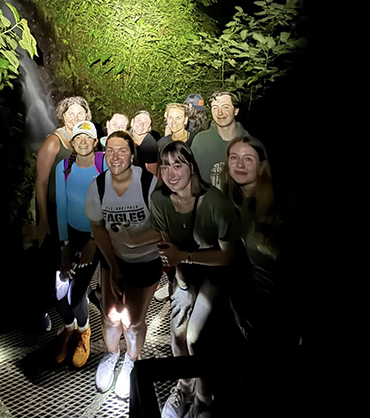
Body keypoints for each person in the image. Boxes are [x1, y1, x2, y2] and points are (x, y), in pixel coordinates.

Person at [150, 141, 239, 418]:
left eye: (178, 165)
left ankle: (204, 399)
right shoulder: (159, 200)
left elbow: (227, 257)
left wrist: (185, 258)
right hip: (185, 274)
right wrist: (184, 287)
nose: (171, 172)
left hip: (214, 271)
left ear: (192, 166)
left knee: (194, 337)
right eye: (165, 166)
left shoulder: (215, 203)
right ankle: (184, 386)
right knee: (176, 335)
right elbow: (167, 250)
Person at [85, 131, 162, 400]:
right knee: (109, 315)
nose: (116, 156)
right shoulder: (99, 186)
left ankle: (131, 360)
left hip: (146, 262)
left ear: (132, 154)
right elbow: (98, 228)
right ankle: (111, 355)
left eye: (122, 150)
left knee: (134, 320)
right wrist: (113, 263)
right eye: (110, 151)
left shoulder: (148, 183)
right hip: (113, 260)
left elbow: (165, 227)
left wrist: (136, 240)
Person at [221, 135, 293, 415]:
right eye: (234, 158)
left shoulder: (279, 207)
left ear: (262, 166)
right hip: (249, 313)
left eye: (248, 159)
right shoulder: (237, 202)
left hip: (279, 316)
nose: (239, 164)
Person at [33, 96, 92, 329]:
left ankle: (74, 300)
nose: (75, 118)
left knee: (68, 260)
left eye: (80, 113)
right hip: (52, 211)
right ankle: (41, 309)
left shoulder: (83, 140)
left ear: (86, 116)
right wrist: (43, 221)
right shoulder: (53, 142)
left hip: (72, 213)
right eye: (70, 114)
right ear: (63, 116)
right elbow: (41, 183)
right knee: (49, 263)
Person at [54, 121, 104, 368]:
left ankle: (84, 331)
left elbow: (110, 202)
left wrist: (94, 242)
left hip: (95, 236)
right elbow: (61, 207)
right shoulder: (63, 168)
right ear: (72, 143)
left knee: (76, 296)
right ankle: (69, 328)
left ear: (96, 142)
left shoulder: (104, 164)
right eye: (78, 138)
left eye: (88, 138)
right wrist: (64, 247)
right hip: (69, 235)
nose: (83, 142)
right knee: (59, 292)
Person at [191, 91, 247, 190]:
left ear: (236, 111)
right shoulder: (200, 142)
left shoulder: (249, 143)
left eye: (225, 107)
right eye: (215, 108)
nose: (220, 113)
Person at [130, 110, 158, 174]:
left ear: (149, 128)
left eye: (146, 123)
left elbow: (152, 173)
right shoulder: (127, 135)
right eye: (139, 120)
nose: (141, 124)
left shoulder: (150, 145)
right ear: (132, 122)